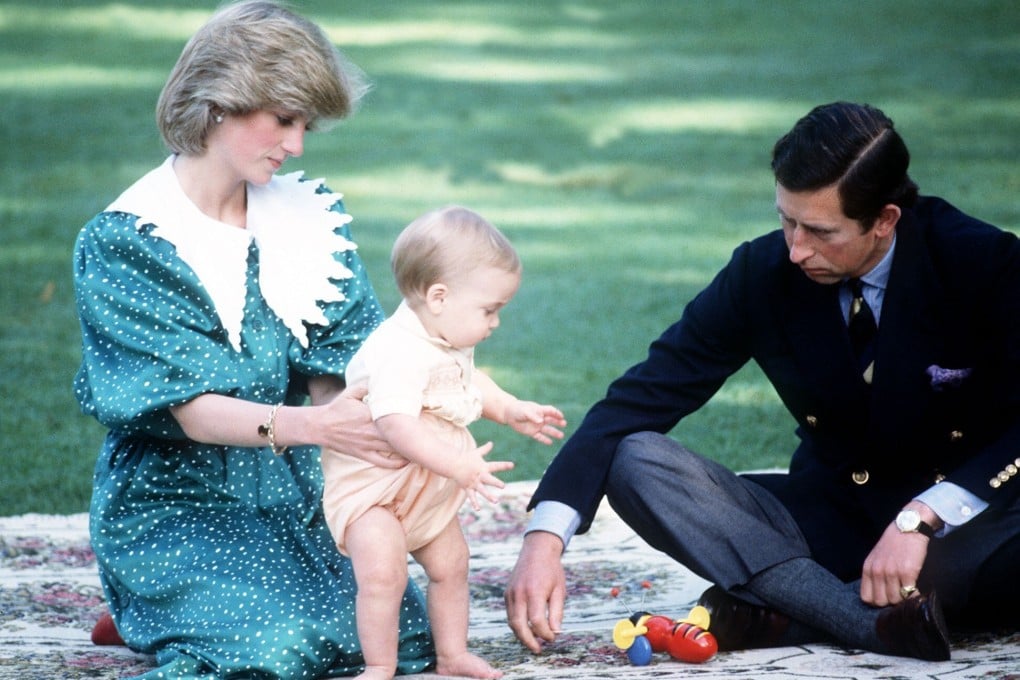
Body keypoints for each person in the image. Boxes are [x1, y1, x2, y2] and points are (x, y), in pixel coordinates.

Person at [505, 102, 1020, 662]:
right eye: (787, 220)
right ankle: (862, 619)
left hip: (969, 527)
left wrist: (921, 518)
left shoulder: (982, 261)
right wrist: (543, 539)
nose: (796, 249)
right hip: (829, 519)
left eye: (820, 231)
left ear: (885, 220)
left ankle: (788, 608)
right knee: (636, 463)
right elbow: (640, 398)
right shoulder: (762, 272)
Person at [73, 2, 436, 677]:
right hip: (176, 503)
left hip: (295, 489)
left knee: (401, 636)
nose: (296, 145)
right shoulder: (128, 239)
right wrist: (317, 426)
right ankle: (157, 603)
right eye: (285, 120)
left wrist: (380, 429)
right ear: (220, 104)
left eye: (305, 126)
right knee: (276, 652)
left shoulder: (306, 216)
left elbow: (342, 366)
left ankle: (174, 616)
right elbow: (189, 410)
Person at [322, 206, 567, 680]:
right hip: (375, 493)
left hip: (424, 488)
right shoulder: (396, 351)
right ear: (439, 297)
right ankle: (379, 665)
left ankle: (451, 654)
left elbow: (468, 381)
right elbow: (395, 425)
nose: (495, 322)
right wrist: (458, 465)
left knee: (453, 563)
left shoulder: (443, 337)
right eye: (489, 310)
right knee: (384, 576)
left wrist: (509, 408)